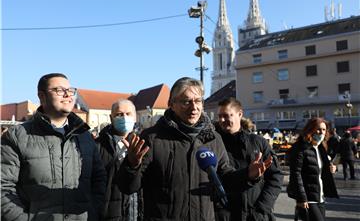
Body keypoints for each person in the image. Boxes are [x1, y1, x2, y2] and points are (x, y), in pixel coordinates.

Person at [117, 77, 271, 221]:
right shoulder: (152, 138)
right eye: (186, 102)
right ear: (171, 104)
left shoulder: (213, 138)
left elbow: (225, 178)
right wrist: (131, 165)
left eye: (198, 101)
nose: (194, 107)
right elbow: (128, 187)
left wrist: (247, 175)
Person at [1, 73, 107, 221]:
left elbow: (99, 180)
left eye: (70, 90)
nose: (67, 95)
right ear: (42, 96)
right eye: (59, 90)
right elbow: (3, 187)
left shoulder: (85, 136)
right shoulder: (17, 136)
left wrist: (93, 212)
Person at [215, 97, 283, 221]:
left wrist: (262, 208)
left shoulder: (258, 142)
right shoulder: (214, 144)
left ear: (239, 114)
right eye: (219, 116)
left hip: (257, 215)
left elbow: (276, 176)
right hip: (226, 215)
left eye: (226, 115)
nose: (222, 120)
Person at [96, 99, 142, 221]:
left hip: (138, 213)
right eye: (119, 114)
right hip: (109, 215)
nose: (124, 118)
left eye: (128, 114)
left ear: (135, 117)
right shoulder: (98, 146)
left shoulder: (144, 144)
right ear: (111, 118)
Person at [287, 117, 338, 221]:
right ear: (310, 129)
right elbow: (296, 174)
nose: (321, 132)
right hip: (308, 198)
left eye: (324, 130)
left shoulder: (320, 148)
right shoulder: (300, 148)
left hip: (320, 197)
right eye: (318, 129)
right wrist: (301, 198)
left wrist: (331, 169)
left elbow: (320, 170)